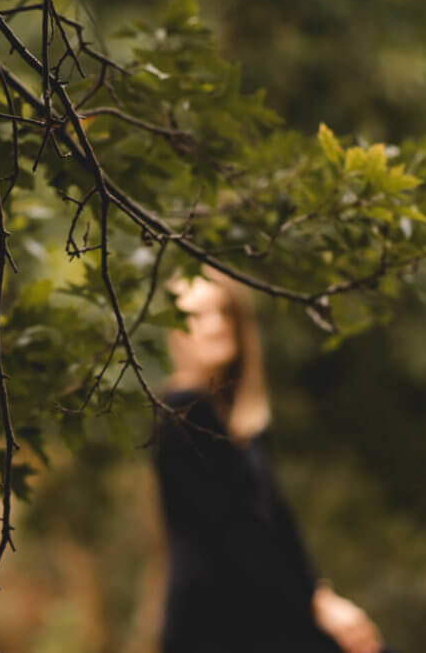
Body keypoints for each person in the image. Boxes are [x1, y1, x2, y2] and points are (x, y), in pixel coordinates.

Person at [153, 268, 387, 653]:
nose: (215, 327)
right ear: (177, 332)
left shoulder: (236, 423)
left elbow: (277, 523)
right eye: (196, 316)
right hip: (219, 628)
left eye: (223, 312)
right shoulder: (185, 413)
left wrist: (321, 596)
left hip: (260, 617)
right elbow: (236, 536)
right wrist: (317, 606)